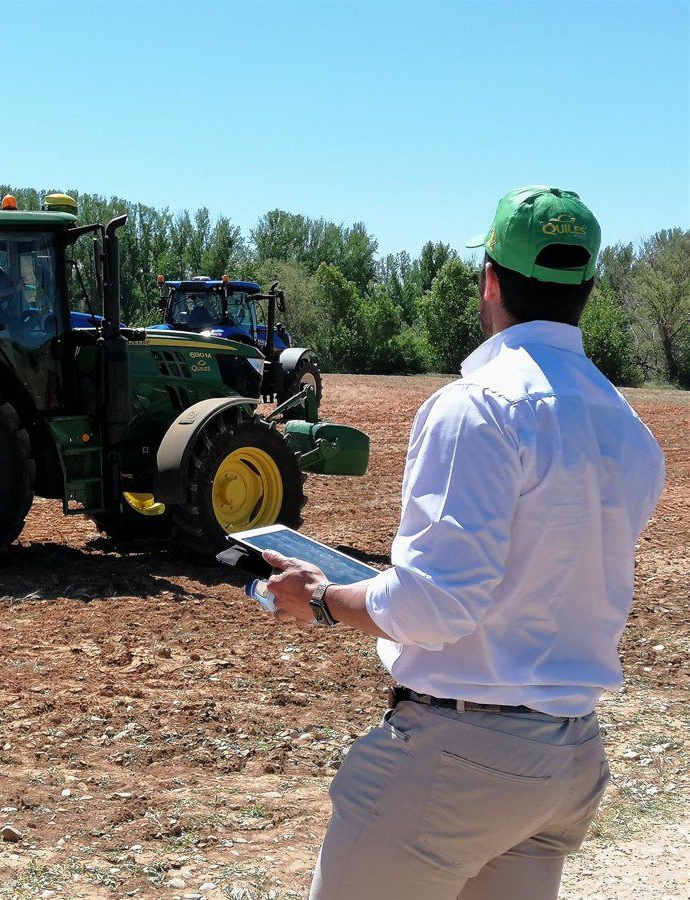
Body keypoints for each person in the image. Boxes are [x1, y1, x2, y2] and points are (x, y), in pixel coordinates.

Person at [260, 186, 665, 900]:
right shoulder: (627, 426)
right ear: (591, 288)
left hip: (460, 760)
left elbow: (433, 606)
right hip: (567, 758)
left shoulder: (478, 406)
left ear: (490, 280)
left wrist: (322, 598)